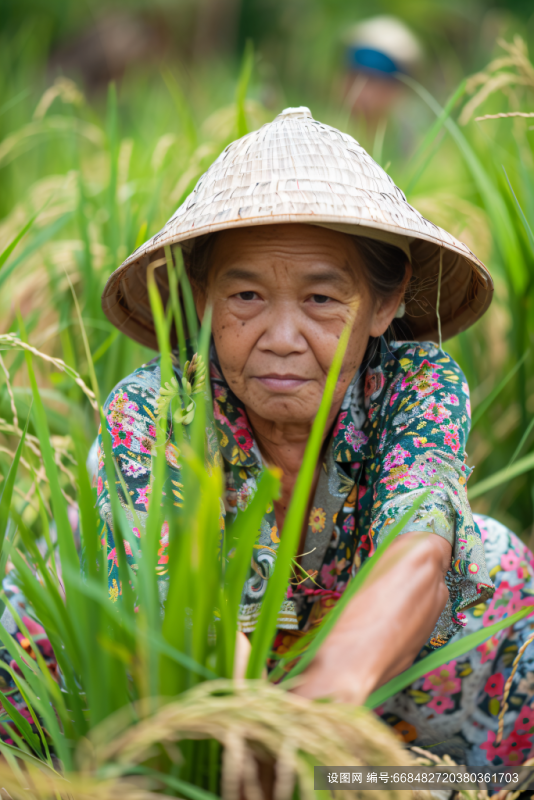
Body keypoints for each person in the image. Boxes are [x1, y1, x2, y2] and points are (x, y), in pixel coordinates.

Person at [98, 106, 534, 767]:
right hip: (201, 681)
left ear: (385, 304)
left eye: (322, 301)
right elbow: (164, 598)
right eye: (245, 297)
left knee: (502, 572)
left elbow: (419, 547)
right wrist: (260, 728)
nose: (280, 339)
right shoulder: (156, 409)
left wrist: (322, 708)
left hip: (372, 673)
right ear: (205, 297)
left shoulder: (413, 385)